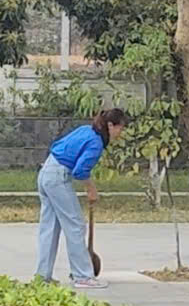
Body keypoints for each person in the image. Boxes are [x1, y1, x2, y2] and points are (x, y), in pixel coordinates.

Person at [35, 109, 128, 289]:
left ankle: (42, 276)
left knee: (50, 227)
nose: (120, 133)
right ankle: (82, 276)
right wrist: (91, 189)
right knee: (76, 225)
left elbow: (57, 146)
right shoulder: (96, 143)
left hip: (46, 171)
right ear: (110, 125)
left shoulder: (86, 130)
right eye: (120, 128)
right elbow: (80, 171)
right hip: (58, 178)